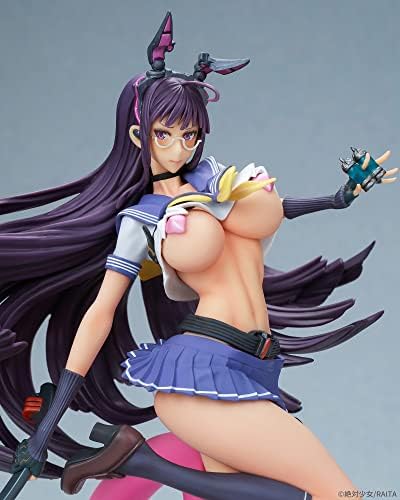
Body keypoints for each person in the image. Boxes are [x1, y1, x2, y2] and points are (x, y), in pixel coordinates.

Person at [2, 12, 397, 500]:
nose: (180, 147)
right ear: (138, 135)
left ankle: (141, 460)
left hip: (254, 367)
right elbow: (99, 315)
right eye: (164, 134)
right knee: (339, 494)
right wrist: (44, 430)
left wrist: (338, 199)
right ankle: (138, 459)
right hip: (201, 372)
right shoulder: (141, 220)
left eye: (189, 134)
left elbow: (277, 209)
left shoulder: (215, 179)